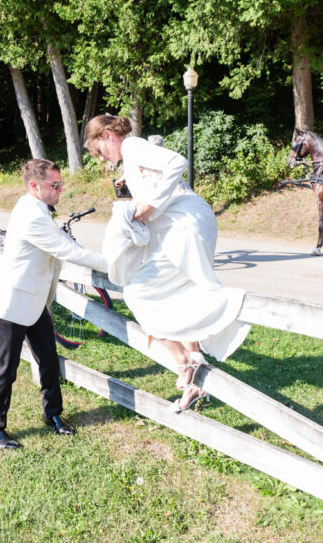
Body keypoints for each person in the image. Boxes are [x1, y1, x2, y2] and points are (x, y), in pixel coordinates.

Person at [84, 115, 250, 412]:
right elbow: (159, 179)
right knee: (176, 296)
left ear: (107, 135)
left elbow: (177, 162)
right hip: (182, 224)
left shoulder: (133, 146)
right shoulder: (132, 158)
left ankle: (184, 360)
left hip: (186, 224)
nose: (102, 159)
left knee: (138, 292)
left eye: (99, 150)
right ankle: (193, 380)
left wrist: (151, 205)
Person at [0, 159, 107, 448]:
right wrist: (113, 265)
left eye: (60, 183)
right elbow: (66, 249)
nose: (60, 189)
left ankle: (53, 415)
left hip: (35, 302)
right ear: (34, 186)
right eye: (55, 184)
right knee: (6, 369)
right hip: (11, 304)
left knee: (49, 362)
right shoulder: (31, 214)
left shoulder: (37, 209)